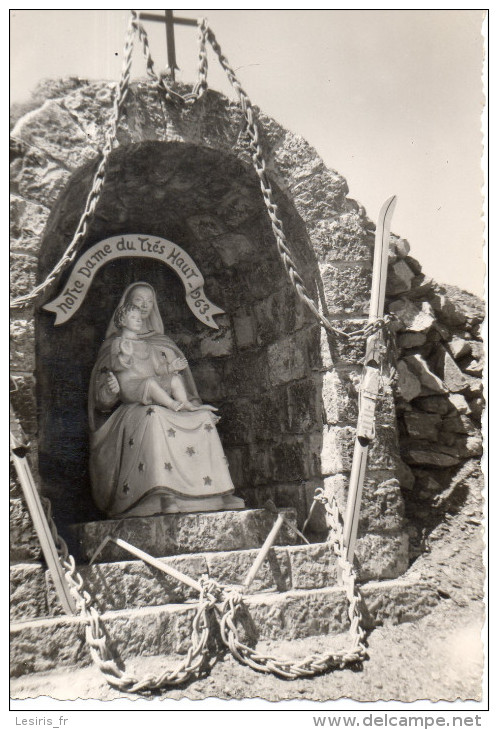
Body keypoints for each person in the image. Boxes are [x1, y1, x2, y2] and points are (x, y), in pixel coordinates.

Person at [88, 282, 245, 518]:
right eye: (137, 301)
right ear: (125, 309)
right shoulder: (115, 345)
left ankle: (220, 493)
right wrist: (110, 390)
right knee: (155, 415)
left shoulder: (160, 343)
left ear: (154, 307)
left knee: (202, 417)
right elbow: (102, 400)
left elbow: (167, 374)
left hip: (166, 400)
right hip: (136, 407)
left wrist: (175, 376)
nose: (143, 306)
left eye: (148, 301)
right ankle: (165, 495)